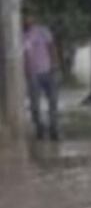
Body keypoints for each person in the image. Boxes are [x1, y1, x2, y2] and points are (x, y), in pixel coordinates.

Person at [23, 13, 59, 141]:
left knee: (53, 102)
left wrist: (54, 65)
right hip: (32, 74)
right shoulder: (21, 36)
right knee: (34, 106)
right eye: (25, 17)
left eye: (29, 16)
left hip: (48, 71)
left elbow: (51, 47)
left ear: (34, 18)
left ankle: (54, 130)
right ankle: (40, 128)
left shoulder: (43, 31)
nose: (27, 19)